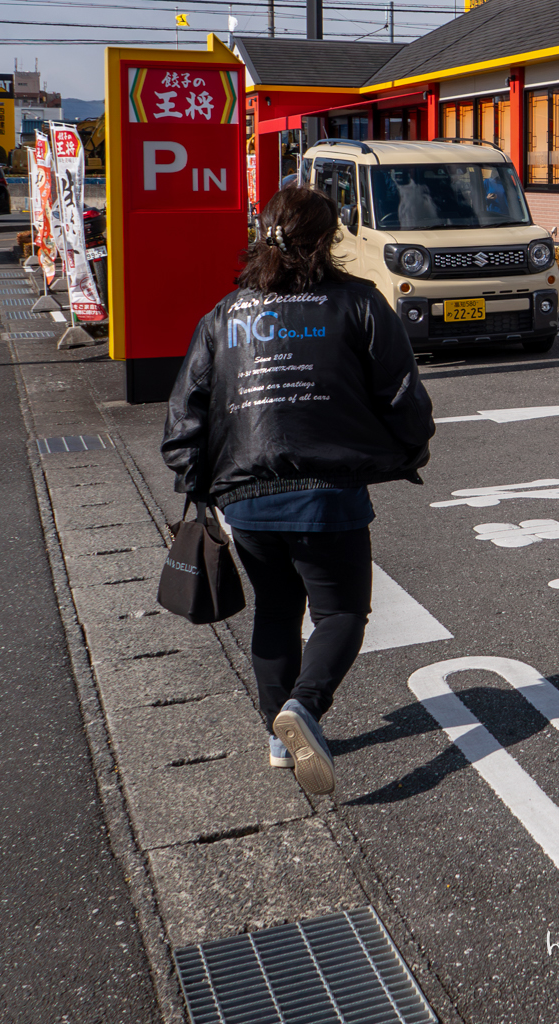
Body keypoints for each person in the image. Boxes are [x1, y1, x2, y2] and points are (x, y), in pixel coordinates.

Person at [161, 186, 435, 795]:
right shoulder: (357, 302)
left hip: (246, 500)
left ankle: (277, 737)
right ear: (329, 239)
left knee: (277, 610)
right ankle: (303, 707)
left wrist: (198, 483)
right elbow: (401, 395)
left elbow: (185, 415)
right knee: (340, 613)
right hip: (327, 494)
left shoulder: (225, 314)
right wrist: (409, 451)